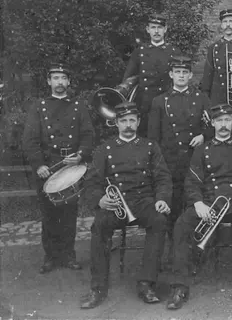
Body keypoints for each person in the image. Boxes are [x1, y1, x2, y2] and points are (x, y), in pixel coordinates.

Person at [166, 103, 232, 310]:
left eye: (227, 120)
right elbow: (192, 181)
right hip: (209, 202)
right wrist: (198, 202)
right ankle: (180, 285)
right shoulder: (202, 150)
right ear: (212, 123)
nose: (223, 125)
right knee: (181, 225)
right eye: (219, 121)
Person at [80, 102, 172, 309]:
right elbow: (92, 182)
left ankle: (146, 283)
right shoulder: (105, 149)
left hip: (144, 201)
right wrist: (100, 200)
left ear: (138, 122)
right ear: (116, 123)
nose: (128, 125)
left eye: (132, 120)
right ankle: (98, 288)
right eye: (124, 121)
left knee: (159, 221)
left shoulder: (151, 146)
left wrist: (162, 199)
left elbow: (163, 178)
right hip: (116, 204)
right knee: (99, 226)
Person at [22, 64, 95, 274]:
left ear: (68, 81)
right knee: (49, 215)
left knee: (69, 213)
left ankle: (69, 255)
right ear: (49, 81)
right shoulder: (39, 106)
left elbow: (88, 135)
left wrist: (80, 155)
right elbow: (30, 139)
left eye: (63, 78)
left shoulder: (78, 106)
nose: (60, 82)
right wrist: (39, 164)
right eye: (55, 78)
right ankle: (50, 257)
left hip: (71, 165)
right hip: (48, 167)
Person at [147, 55, 213, 235]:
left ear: (191, 75)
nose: (181, 75)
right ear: (171, 74)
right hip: (170, 160)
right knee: (173, 204)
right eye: (178, 72)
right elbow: (153, 136)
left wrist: (203, 136)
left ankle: (198, 240)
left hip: (195, 160)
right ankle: (174, 243)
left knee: (196, 201)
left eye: (185, 72)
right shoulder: (159, 101)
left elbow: (213, 126)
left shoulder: (202, 98)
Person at [122, 13, 179, 135]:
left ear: (165, 29)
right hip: (144, 104)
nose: (156, 31)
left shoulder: (174, 52)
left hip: (167, 103)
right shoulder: (139, 51)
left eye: (160, 28)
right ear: (148, 29)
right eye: (153, 27)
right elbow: (128, 78)